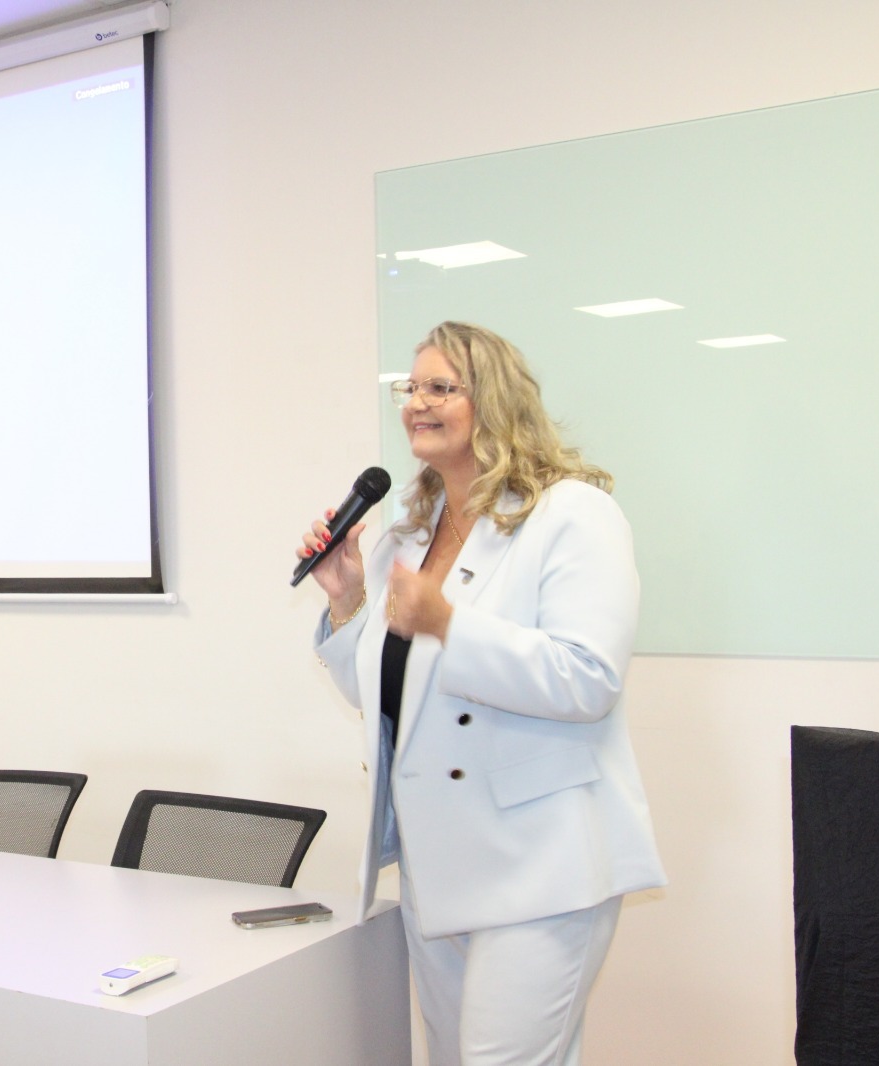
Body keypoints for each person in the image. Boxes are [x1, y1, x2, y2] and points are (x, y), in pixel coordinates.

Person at [301, 321, 666, 1065]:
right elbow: (393, 701)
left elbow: (586, 677)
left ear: (493, 402)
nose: (417, 403)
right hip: (439, 866)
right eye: (412, 387)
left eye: (441, 387)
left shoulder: (570, 513)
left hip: (541, 868)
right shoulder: (411, 532)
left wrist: (447, 625)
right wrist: (347, 604)